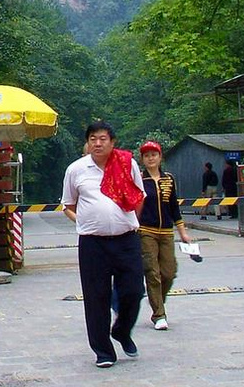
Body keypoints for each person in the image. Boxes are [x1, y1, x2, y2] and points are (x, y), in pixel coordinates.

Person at [61, 120, 145, 368]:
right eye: (93, 139)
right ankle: (103, 351)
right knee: (96, 297)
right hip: (93, 244)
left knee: (132, 290)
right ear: (87, 143)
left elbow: (139, 197)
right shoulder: (76, 170)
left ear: (112, 141)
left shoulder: (127, 164)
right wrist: (89, 220)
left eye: (103, 138)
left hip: (126, 240)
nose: (98, 143)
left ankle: (121, 330)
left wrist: (127, 222)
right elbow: (69, 203)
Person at [138, 140, 192, 330]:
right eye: (146, 155)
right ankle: (159, 314)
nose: (150, 158)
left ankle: (157, 299)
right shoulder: (139, 180)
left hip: (167, 232)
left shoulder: (169, 179)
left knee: (169, 273)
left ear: (160, 157)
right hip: (146, 231)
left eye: (154, 154)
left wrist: (183, 232)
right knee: (152, 273)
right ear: (142, 159)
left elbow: (174, 207)